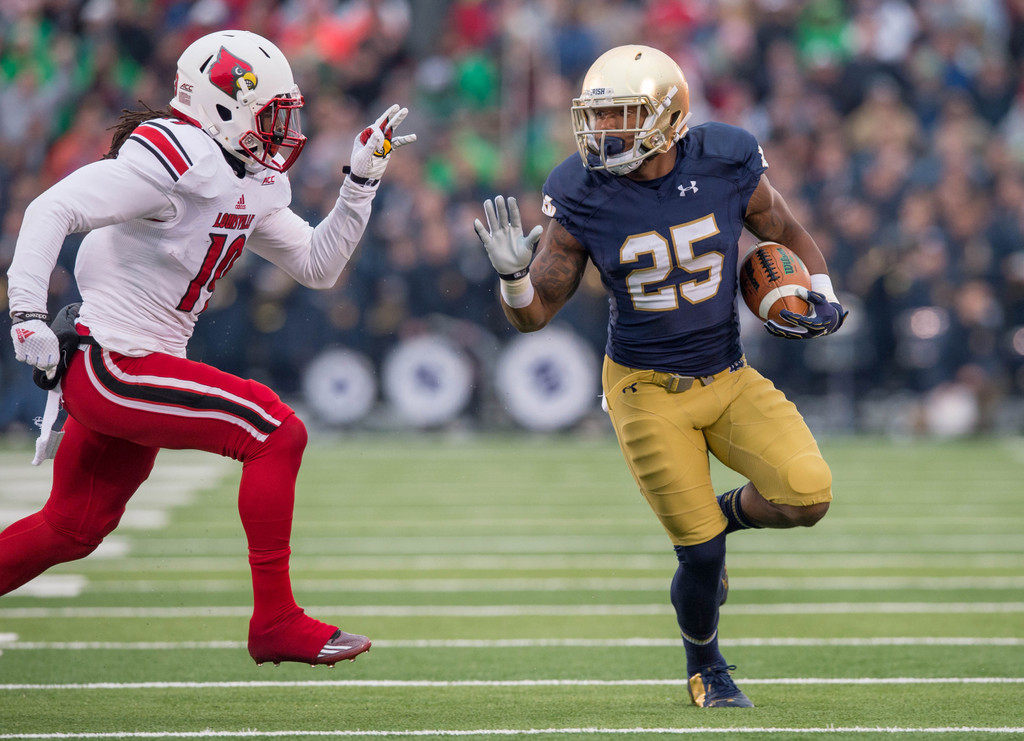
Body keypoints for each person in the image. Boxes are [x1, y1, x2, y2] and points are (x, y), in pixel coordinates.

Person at [2, 29, 415, 667]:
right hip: (115, 362)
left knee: (72, 528)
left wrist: (359, 184)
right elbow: (49, 209)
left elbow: (318, 265)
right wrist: (26, 312)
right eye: (271, 114)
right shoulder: (177, 161)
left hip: (133, 364)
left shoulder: (244, 176)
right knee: (275, 430)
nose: (284, 131)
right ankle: (275, 621)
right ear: (224, 107)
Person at [474, 45, 846, 707]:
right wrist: (511, 279)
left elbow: (785, 229)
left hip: (728, 375)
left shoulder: (726, 158)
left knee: (808, 496)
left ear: (668, 117)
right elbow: (535, 315)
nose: (602, 130)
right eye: (596, 115)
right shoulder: (581, 189)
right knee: (700, 556)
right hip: (645, 390)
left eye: (619, 115)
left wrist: (821, 292)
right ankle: (707, 666)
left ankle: (717, 516)